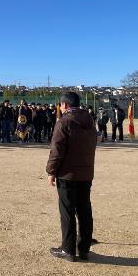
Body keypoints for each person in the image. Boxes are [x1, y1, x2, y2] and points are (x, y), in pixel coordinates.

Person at [46, 92, 97, 262]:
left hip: (67, 174)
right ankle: (83, 249)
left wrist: (51, 171)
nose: (60, 108)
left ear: (65, 105)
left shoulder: (64, 122)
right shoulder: (90, 121)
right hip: (86, 172)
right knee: (84, 210)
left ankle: (68, 249)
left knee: (67, 211)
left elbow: (56, 150)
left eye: (61, 105)